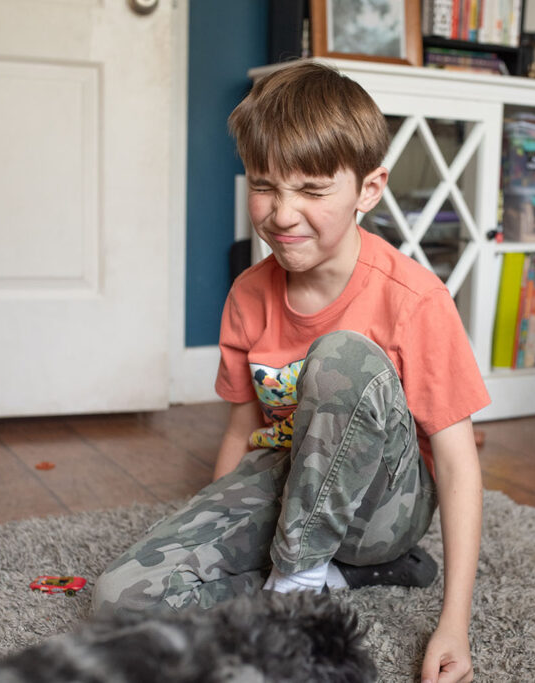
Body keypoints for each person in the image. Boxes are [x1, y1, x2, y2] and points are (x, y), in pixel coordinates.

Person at [92, 60, 489, 683]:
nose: (281, 213)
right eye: (264, 185)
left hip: (382, 508)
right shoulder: (250, 293)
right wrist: (212, 528)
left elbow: (459, 465)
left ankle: (301, 585)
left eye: (310, 190)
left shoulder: (413, 299)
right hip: (286, 482)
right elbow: (240, 432)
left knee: (341, 356)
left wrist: (454, 624)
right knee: (119, 600)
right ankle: (340, 576)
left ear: (368, 189)